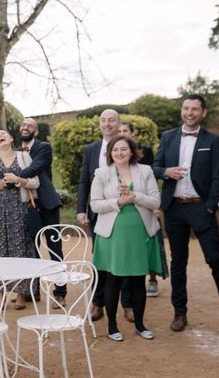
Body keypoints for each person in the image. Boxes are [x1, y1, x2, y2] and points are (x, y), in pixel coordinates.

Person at [152, 94, 219, 336]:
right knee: (178, 263)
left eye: (195, 109)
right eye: (186, 108)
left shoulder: (213, 140)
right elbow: (155, 167)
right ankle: (180, 312)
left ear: (203, 112)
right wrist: (167, 171)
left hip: (201, 208)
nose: (189, 113)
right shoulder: (168, 137)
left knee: (214, 261)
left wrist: (209, 207)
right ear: (182, 110)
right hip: (174, 209)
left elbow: (218, 175)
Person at [90, 136, 163, 341]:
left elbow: (156, 201)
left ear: (132, 151)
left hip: (139, 232)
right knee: (113, 279)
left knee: (138, 279)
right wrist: (119, 202)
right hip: (112, 233)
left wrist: (135, 198)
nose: (120, 153)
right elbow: (95, 204)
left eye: (124, 149)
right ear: (110, 153)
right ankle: (112, 327)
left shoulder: (146, 171)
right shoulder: (101, 173)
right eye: (115, 150)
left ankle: (140, 325)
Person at [0, 129, 39, 309]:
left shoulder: (23, 157)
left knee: (20, 249)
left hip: (19, 208)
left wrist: (18, 179)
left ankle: (21, 294)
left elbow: (35, 182)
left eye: (3, 134)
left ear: (11, 139)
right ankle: (1, 294)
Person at [17, 118, 66, 307]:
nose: (25, 128)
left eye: (29, 126)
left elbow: (34, 168)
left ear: (35, 132)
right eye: (22, 125)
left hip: (47, 203)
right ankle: (34, 291)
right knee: (32, 249)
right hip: (28, 206)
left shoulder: (43, 147)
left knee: (55, 248)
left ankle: (60, 292)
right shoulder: (15, 151)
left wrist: (15, 176)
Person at [77, 108, 120, 321]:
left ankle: (128, 304)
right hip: (98, 212)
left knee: (125, 257)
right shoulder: (91, 149)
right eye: (103, 120)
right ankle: (98, 303)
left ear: (118, 123)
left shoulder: (127, 148)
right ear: (100, 124)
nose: (107, 123)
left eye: (111, 120)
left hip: (124, 212)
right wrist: (80, 210)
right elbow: (84, 180)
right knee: (100, 260)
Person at [118, 121, 168, 300]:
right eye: (119, 131)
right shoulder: (116, 153)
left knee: (150, 243)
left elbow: (153, 178)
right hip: (125, 208)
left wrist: (154, 207)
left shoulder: (144, 151)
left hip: (145, 201)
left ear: (132, 132)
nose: (122, 133)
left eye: (125, 130)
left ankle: (152, 279)